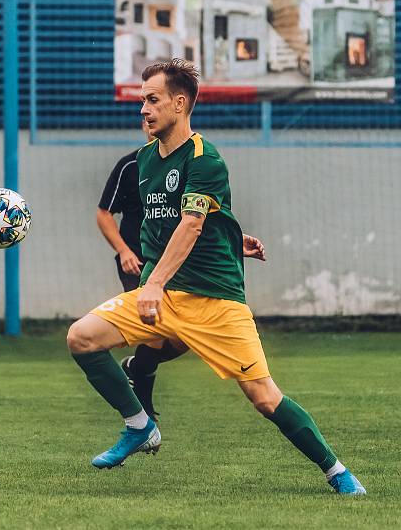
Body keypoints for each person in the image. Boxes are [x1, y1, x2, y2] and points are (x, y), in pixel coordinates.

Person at [68, 59, 365, 495]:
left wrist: (153, 282)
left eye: (152, 100)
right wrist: (229, 234)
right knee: (82, 338)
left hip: (214, 300)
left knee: (264, 397)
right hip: (165, 293)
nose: (143, 110)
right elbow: (174, 220)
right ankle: (139, 425)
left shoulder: (207, 159)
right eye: (141, 101)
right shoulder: (147, 158)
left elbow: (191, 222)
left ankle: (336, 470)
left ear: (180, 103)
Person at [97, 120, 266, 420]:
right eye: (145, 110)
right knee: (154, 330)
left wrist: (233, 243)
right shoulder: (132, 165)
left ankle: (136, 370)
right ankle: (142, 412)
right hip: (140, 262)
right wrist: (123, 251)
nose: (149, 120)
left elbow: (194, 220)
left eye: (154, 103)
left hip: (182, 265)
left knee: (181, 339)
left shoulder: (195, 161)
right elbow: (103, 214)